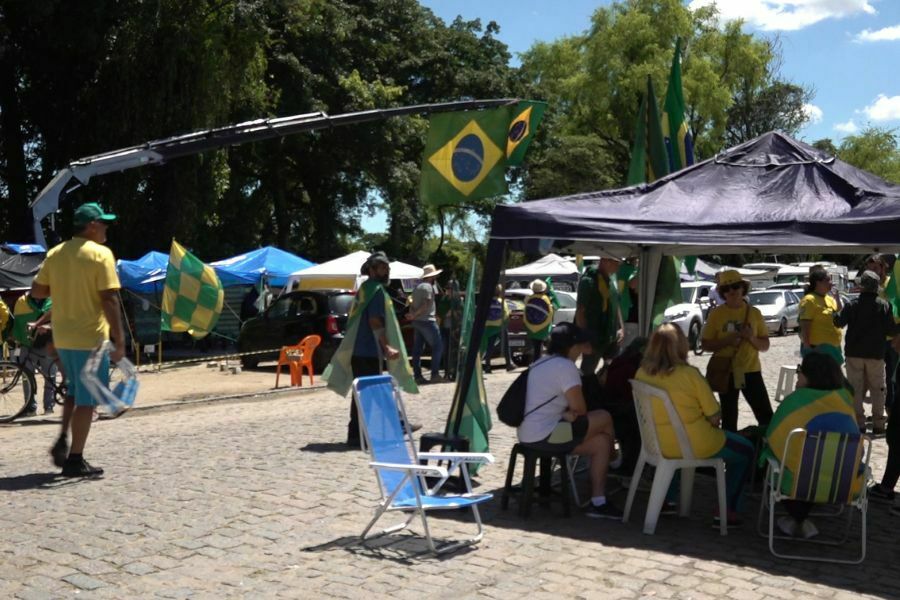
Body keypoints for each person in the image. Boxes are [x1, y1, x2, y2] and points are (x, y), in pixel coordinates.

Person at [31, 202, 126, 478]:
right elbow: (109, 299)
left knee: (74, 392)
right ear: (92, 226)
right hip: (90, 339)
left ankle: (63, 438)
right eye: (103, 223)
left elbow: (37, 291)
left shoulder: (56, 253)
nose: (106, 228)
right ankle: (75, 459)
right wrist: (119, 340)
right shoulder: (101, 254)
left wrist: (63, 285)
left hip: (63, 337)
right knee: (88, 401)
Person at [636, 324, 754, 526]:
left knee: (677, 445)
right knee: (746, 450)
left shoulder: (641, 373)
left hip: (658, 444)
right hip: (696, 443)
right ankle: (728, 510)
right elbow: (715, 415)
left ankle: (668, 498)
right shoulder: (690, 375)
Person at [517, 322, 622, 518]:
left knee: (602, 443)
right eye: (581, 344)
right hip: (546, 435)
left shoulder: (541, 362)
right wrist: (569, 413)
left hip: (529, 432)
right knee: (604, 417)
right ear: (573, 346)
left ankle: (598, 501)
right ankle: (614, 458)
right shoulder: (565, 367)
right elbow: (580, 409)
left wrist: (565, 414)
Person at [761, 352, 859, 539]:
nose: (797, 375)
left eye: (800, 371)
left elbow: (773, 437)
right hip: (842, 484)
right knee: (816, 464)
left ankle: (796, 516)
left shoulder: (795, 402)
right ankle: (801, 517)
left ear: (809, 375)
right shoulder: (844, 401)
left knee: (775, 458)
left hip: (795, 484)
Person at [701, 269, 773, 432]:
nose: (731, 292)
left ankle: (767, 452)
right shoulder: (716, 314)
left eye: (735, 287)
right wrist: (727, 340)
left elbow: (765, 345)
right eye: (726, 289)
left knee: (765, 416)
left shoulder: (754, 313)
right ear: (722, 293)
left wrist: (751, 338)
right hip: (726, 371)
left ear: (742, 288)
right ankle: (731, 455)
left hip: (751, 370)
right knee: (729, 418)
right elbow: (705, 345)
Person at [834, 270, 900, 433]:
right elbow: (891, 331)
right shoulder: (884, 305)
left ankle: (859, 423)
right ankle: (878, 423)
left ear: (862, 286)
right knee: (878, 389)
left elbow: (839, 323)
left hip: (854, 353)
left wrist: (834, 312)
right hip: (876, 354)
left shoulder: (852, 305)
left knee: (856, 388)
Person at [576, 256, 624, 376]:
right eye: (617, 262)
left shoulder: (610, 281)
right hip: (594, 338)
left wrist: (621, 327)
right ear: (606, 261)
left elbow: (616, 305)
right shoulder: (588, 281)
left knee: (613, 370)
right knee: (587, 372)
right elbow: (580, 311)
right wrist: (585, 338)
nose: (619, 266)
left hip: (611, 337)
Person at [11, 292, 57, 416]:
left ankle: (49, 406)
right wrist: (17, 343)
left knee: (50, 376)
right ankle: (30, 407)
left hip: (48, 343)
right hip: (26, 344)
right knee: (27, 377)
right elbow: (18, 324)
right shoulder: (21, 302)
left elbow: (59, 320)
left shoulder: (53, 300)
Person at [406, 264, 445, 385]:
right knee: (438, 346)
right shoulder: (428, 287)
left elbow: (412, 304)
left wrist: (413, 316)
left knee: (417, 349)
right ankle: (434, 374)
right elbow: (426, 304)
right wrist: (415, 315)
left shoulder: (417, 287)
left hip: (417, 322)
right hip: (427, 320)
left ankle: (417, 376)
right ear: (432, 277)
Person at [799, 266, 843, 363]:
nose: (831, 283)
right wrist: (807, 348)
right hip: (819, 349)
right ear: (818, 282)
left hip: (834, 348)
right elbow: (805, 325)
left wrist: (837, 297)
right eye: (828, 280)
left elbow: (837, 311)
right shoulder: (809, 300)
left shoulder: (829, 298)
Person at [482, 284, 513, 373]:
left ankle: (487, 366)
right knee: (506, 346)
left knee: (490, 347)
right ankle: (509, 364)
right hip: (500, 327)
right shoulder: (502, 301)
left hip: (489, 327)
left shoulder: (487, 302)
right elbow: (506, 315)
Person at [523, 279, 555, 361]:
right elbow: (550, 312)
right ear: (543, 289)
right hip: (543, 327)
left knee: (535, 346)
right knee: (541, 346)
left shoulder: (528, 298)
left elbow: (525, 311)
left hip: (531, 326)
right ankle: (539, 362)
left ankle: (535, 361)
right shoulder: (545, 298)